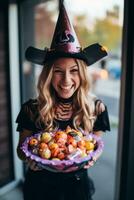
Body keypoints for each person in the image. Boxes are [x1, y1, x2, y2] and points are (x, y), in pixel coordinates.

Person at [16, 3, 110, 200]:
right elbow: (21, 150)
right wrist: (30, 160)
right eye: (58, 71)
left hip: (77, 188)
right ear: (48, 75)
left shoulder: (96, 108)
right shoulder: (31, 109)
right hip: (39, 189)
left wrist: (92, 157)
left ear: (82, 75)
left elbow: (96, 144)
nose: (66, 81)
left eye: (74, 71)